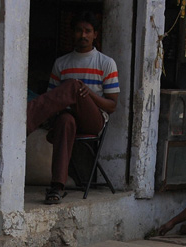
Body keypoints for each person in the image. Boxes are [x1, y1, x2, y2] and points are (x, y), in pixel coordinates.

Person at [27, 12, 119, 205]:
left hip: (94, 119)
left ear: (95, 35)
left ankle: (25, 121)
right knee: (64, 120)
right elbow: (52, 100)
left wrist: (88, 93)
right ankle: (57, 187)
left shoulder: (106, 62)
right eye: (79, 30)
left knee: (73, 85)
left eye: (87, 31)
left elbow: (112, 105)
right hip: (68, 117)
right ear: (73, 33)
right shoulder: (61, 63)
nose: (83, 35)